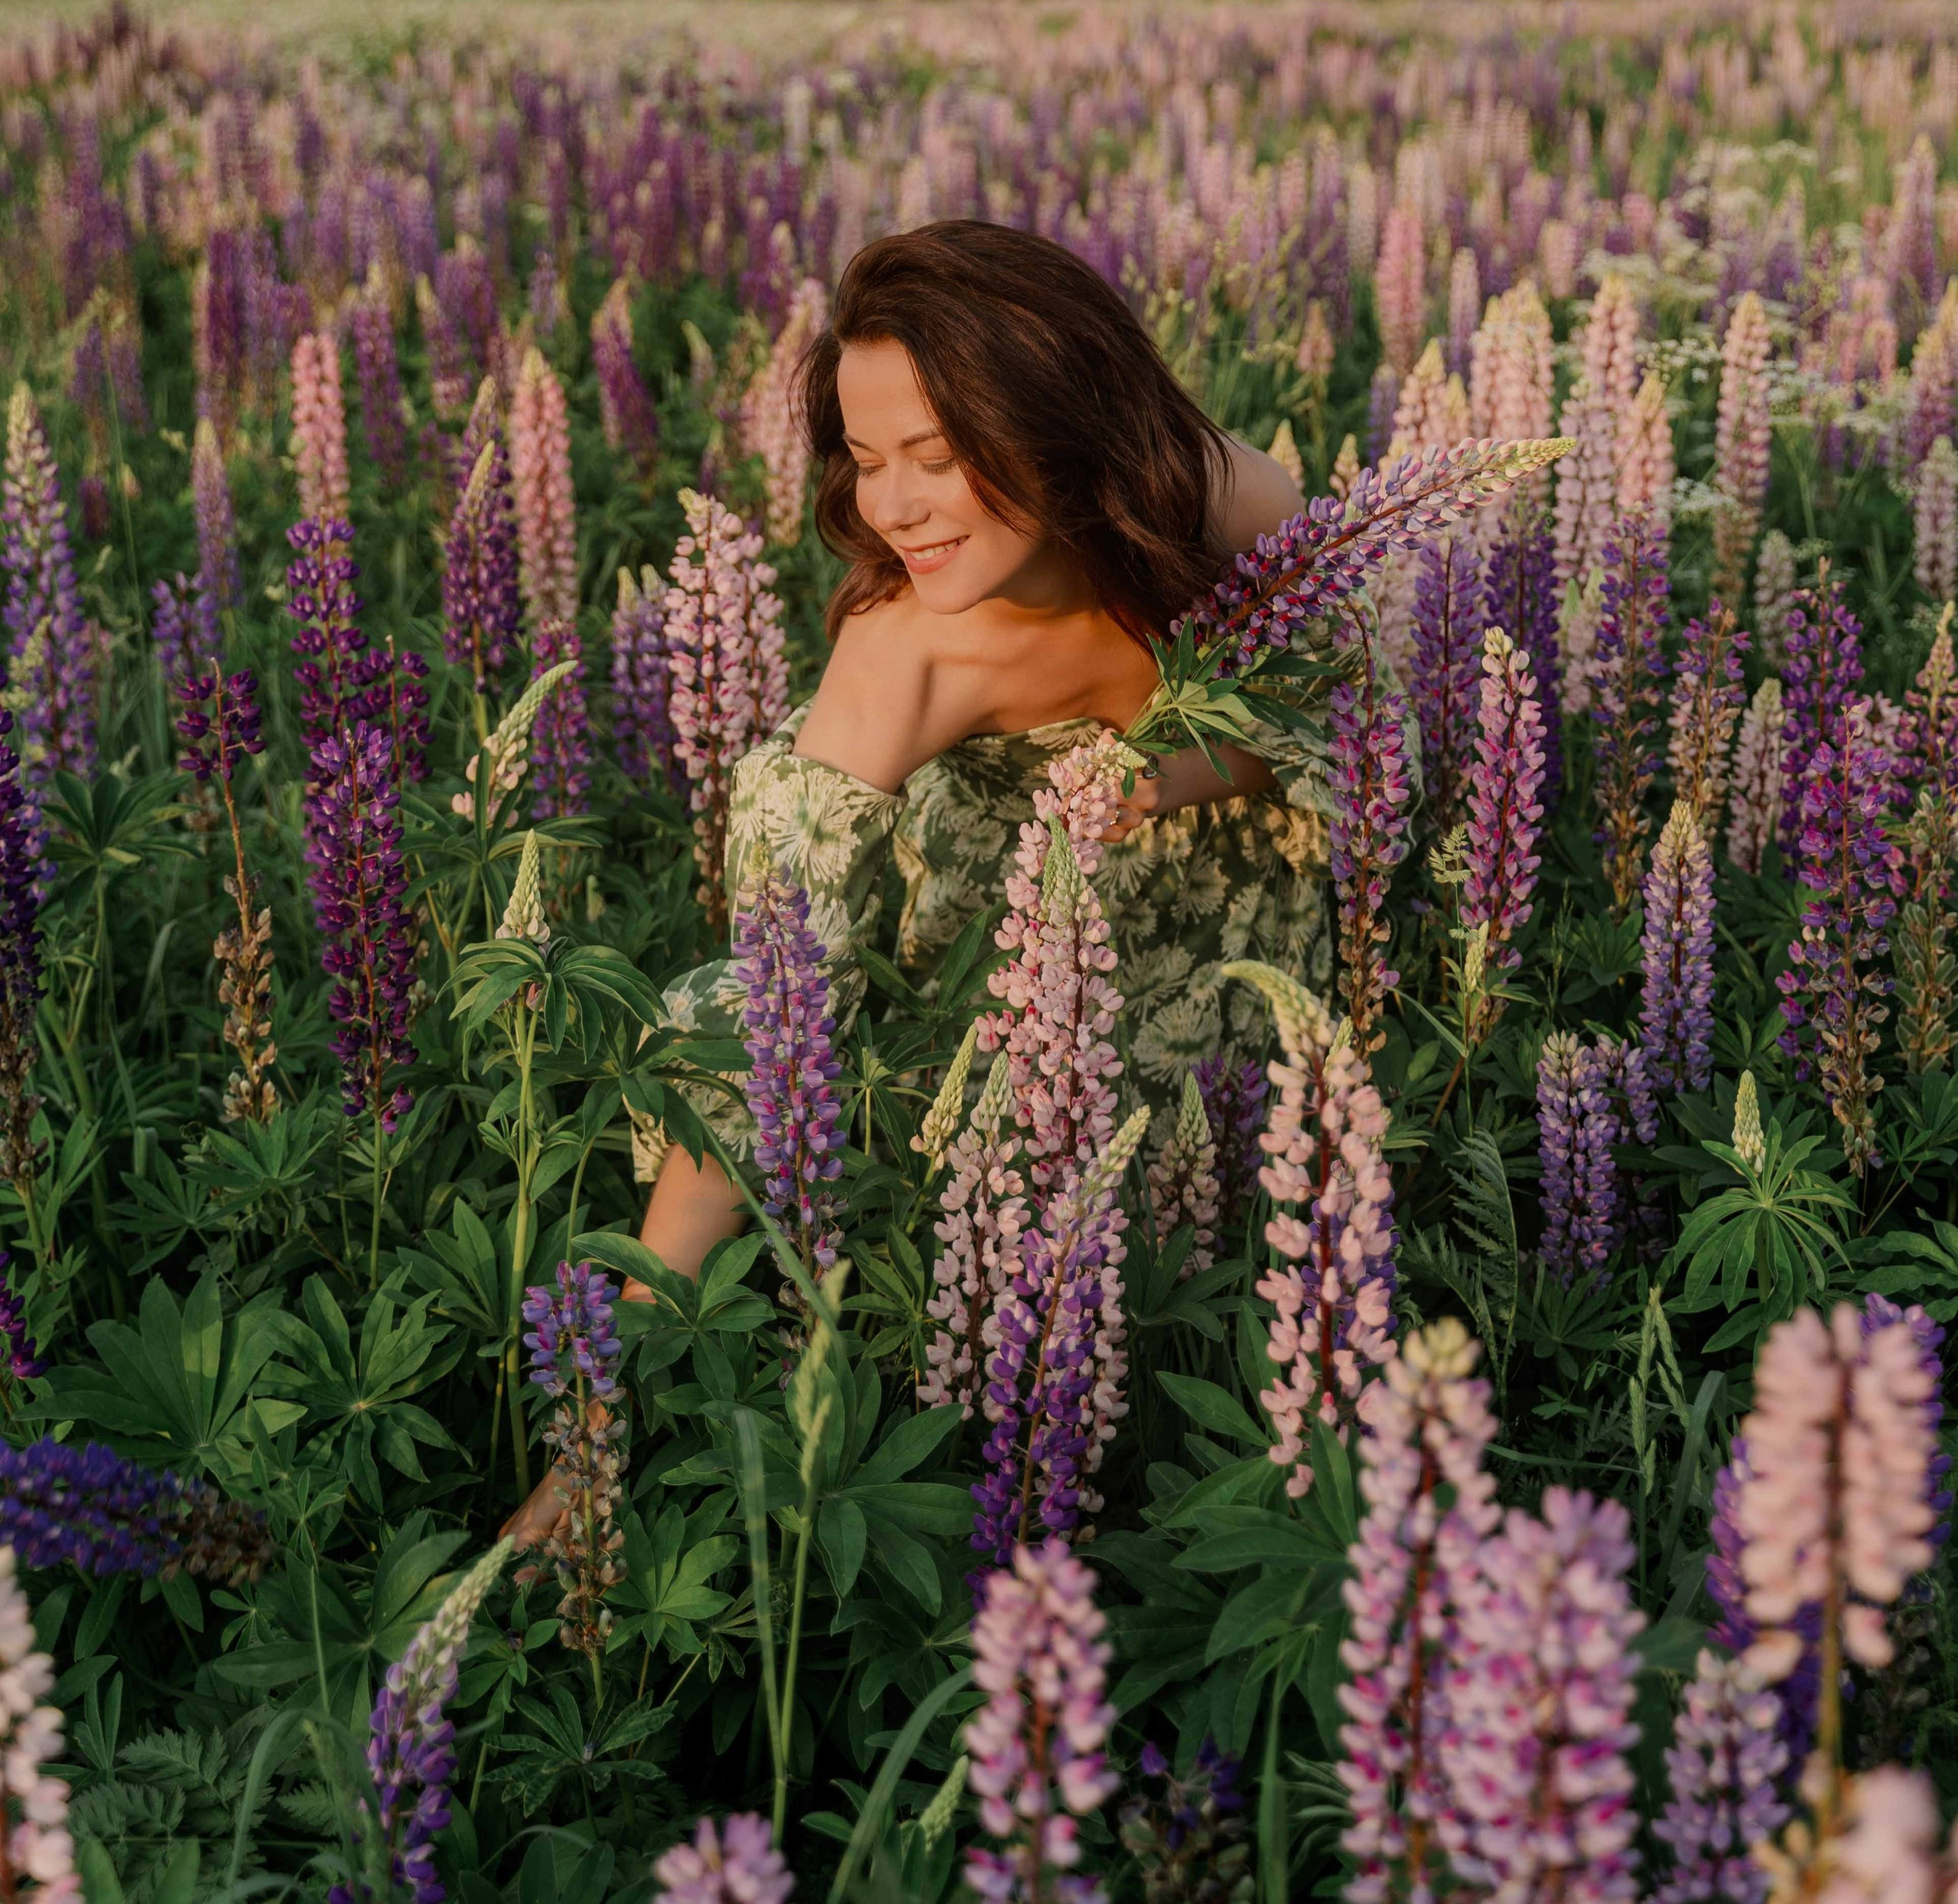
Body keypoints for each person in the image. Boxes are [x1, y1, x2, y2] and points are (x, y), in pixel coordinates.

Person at [505, 219, 1348, 1540]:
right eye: (864, 459)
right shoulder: (903, 663)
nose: (890, 507)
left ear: (1059, 425)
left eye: (937, 458)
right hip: (1015, 1004)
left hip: (1253, 957)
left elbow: (1325, 722)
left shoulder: (1219, 494)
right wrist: (601, 1413)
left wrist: (1167, 776)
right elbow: (760, 1012)